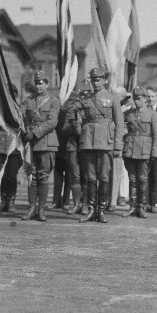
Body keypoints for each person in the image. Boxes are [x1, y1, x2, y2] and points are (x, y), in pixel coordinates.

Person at [66, 67, 124, 223]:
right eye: (93, 79)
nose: (96, 82)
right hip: (89, 141)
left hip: (106, 141)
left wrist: (117, 145)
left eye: (98, 79)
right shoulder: (86, 98)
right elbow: (69, 109)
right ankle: (91, 210)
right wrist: (80, 94)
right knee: (90, 177)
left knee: (104, 177)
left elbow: (119, 123)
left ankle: (101, 210)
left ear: (104, 80)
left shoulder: (113, 98)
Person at [20, 71, 60, 222]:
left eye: (42, 82)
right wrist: (25, 132)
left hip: (46, 142)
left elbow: (52, 122)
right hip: (31, 142)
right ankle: (31, 208)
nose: (39, 85)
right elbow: (20, 116)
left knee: (43, 176)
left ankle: (41, 209)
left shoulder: (53, 101)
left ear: (47, 84)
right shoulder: (29, 101)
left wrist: (34, 133)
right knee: (32, 175)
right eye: (37, 82)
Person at [122, 87, 157, 218]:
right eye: (135, 98)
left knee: (142, 179)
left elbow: (156, 135)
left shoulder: (152, 114)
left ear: (145, 99)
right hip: (130, 149)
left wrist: (154, 153)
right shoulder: (128, 114)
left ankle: (141, 206)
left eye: (139, 99)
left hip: (145, 150)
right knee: (132, 179)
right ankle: (132, 206)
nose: (137, 101)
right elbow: (122, 128)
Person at [0, 85, 23, 214]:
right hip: (1, 146)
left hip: (14, 147)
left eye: (12, 95)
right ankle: (3, 201)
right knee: (2, 175)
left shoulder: (20, 110)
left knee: (12, 175)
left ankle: (11, 202)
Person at [59, 84, 87, 215]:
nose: (85, 96)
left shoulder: (92, 109)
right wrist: (73, 126)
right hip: (73, 146)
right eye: (83, 93)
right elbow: (63, 130)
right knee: (75, 176)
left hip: (87, 146)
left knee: (87, 177)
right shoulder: (72, 109)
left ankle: (86, 204)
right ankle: (76, 204)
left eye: (88, 93)